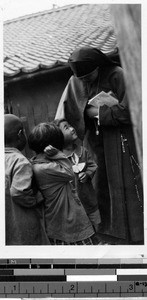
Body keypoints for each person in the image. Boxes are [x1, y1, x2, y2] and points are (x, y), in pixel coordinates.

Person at [55, 46, 144, 245]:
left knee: (124, 185)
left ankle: (134, 235)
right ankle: (106, 233)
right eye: (82, 79)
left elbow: (133, 109)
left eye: (89, 76)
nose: (85, 81)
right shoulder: (74, 81)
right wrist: (65, 128)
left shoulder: (117, 75)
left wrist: (95, 113)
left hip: (119, 140)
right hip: (92, 144)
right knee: (98, 185)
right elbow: (63, 113)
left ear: (99, 66)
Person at [28, 122, 95, 245]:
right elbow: (70, 172)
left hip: (57, 218)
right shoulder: (46, 168)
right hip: (65, 218)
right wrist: (59, 155)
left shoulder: (35, 163)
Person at [5, 114, 49, 245]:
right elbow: (19, 192)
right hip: (22, 223)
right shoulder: (20, 161)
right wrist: (36, 199)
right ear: (20, 135)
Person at [54, 118, 101, 234]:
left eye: (70, 125)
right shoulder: (59, 157)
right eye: (66, 127)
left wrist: (88, 173)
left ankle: (97, 242)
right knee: (81, 228)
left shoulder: (83, 151)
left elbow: (92, 165)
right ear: (58, 136)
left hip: (87, 197)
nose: (72, 128)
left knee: (94, 223)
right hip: (72, 203)